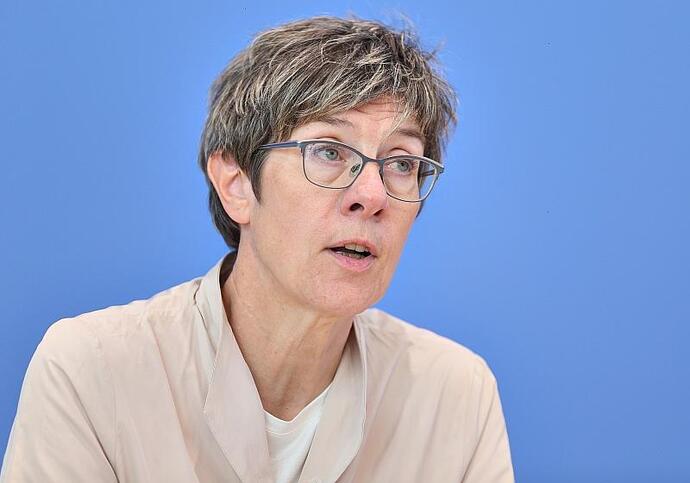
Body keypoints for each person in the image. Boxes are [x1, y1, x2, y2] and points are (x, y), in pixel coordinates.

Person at [1, 16, 514, 483]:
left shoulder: (455, 395)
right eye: (328, 151)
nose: (373, 195)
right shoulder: (92, 371)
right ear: (236, 183)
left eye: (402, 163)